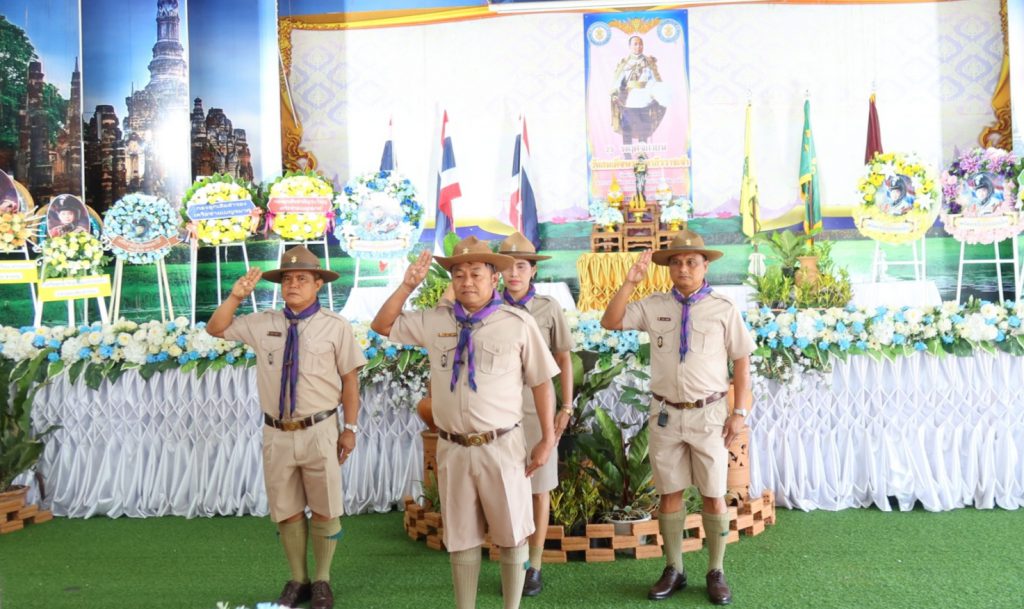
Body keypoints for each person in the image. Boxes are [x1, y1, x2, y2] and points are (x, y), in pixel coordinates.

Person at [370, 236, 559, 609]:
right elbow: (383, 324)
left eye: (476, 273)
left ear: (494, 277)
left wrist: (547, 439)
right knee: (461, 538)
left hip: (501, 446)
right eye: (459, 274)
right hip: (453, 447)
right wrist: (407, 285)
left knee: (512, 536)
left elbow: (541, 382)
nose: (467, 281)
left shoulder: (517, 323)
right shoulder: (435, 321)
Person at [600, 230, 755, 606]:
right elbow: (611, 321)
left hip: (710, 415)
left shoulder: (722, 308)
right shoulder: (654, 305)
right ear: (668, 268)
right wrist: (630, 282)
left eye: (691, 262)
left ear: (705, 266)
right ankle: (674, 568)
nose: (683, 268)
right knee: (669, 493)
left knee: (713, 494)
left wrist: (739, 412)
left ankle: (715, 570)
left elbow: (741, 361)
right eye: (676, 262)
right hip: (666, 414)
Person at [206, 245, 366, 609]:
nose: (293, 285)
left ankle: (322, 580)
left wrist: (351, 428)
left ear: (318, 284)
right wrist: (236, 296)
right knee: (287, 509)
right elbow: (216, 328)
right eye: (287, 279)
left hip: (320, 430)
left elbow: (350, 380)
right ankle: (298, 580)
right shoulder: (262, 323)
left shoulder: (335, 326)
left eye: (302, 278)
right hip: (277, 432)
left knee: (325, 507)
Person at [496, 231, 574, 597]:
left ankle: (535, 566)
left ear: (533, 270)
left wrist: (566, 406)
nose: (514, 274)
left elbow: (564, 358)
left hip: (538, 409)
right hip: (497, 410)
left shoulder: (548, 307)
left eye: (521, 267)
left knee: (539, 489)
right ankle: (513, 560)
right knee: (505, 489)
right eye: (507, 267)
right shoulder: (487, 306)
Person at [610, 35, 667, 157]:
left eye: (640, 44)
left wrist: (654, 93)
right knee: (627, 129)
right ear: (630, 46)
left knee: (643, 129)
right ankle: (627, 157)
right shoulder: (624, 63)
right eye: (635, 44)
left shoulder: (649, 62)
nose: (638, 46)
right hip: (628, 101)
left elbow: (655, 81)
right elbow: (617, 81)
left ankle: (642, 156)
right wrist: (614, 94)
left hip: (645, 101)